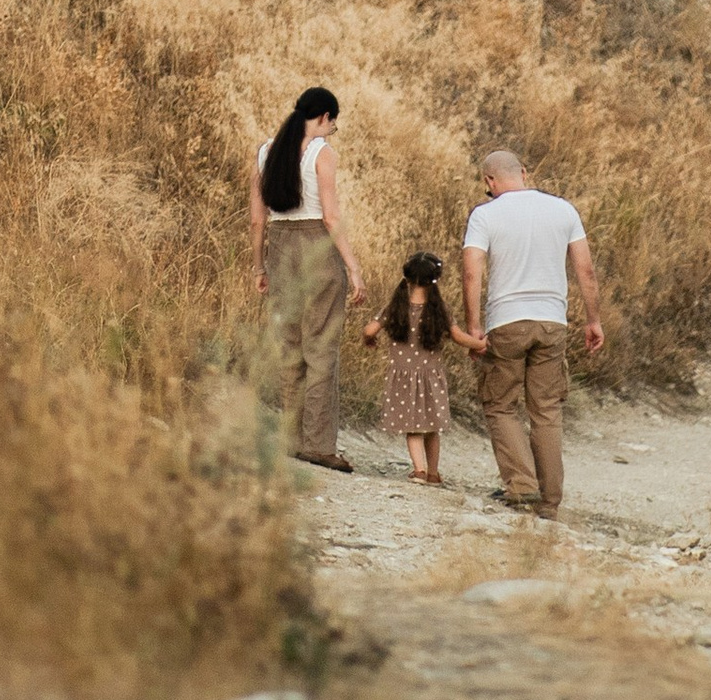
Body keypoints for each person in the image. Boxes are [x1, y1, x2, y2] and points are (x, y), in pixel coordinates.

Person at [459, 146, 605, 518]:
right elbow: (585, 270)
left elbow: (472, 271)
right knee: (546, 410)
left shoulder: (484, 215)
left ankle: (522, 484)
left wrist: (474, 326)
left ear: (489, 181)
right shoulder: (563, 209)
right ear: (524, 172)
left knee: (500, 404)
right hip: (552, 321)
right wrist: (593, 320)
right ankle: (550, 501)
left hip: (506, 321)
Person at [250, 84, 365, 471]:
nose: (331, 130)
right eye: (333, 124)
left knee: (290, 348)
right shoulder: (322, 153)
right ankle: (319, 444)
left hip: (280, 249)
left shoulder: (266, 152)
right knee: (321, 348)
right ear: (324, 117)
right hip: (316, 246)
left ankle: (290, 438)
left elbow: (256, 218)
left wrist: (258, 266)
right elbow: (331, 217)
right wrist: (353, 265)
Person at [363, 250, 453, 484]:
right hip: (431, 378)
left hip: (403, 377)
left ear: (407, 278)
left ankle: (419, 470)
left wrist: (368, 339)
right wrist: (480, 344)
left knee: (412, 426)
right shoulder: (439, 311)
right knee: (432, 427)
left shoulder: (395, 308)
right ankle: (433, 473)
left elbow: (369, 330)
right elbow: (459, 336)